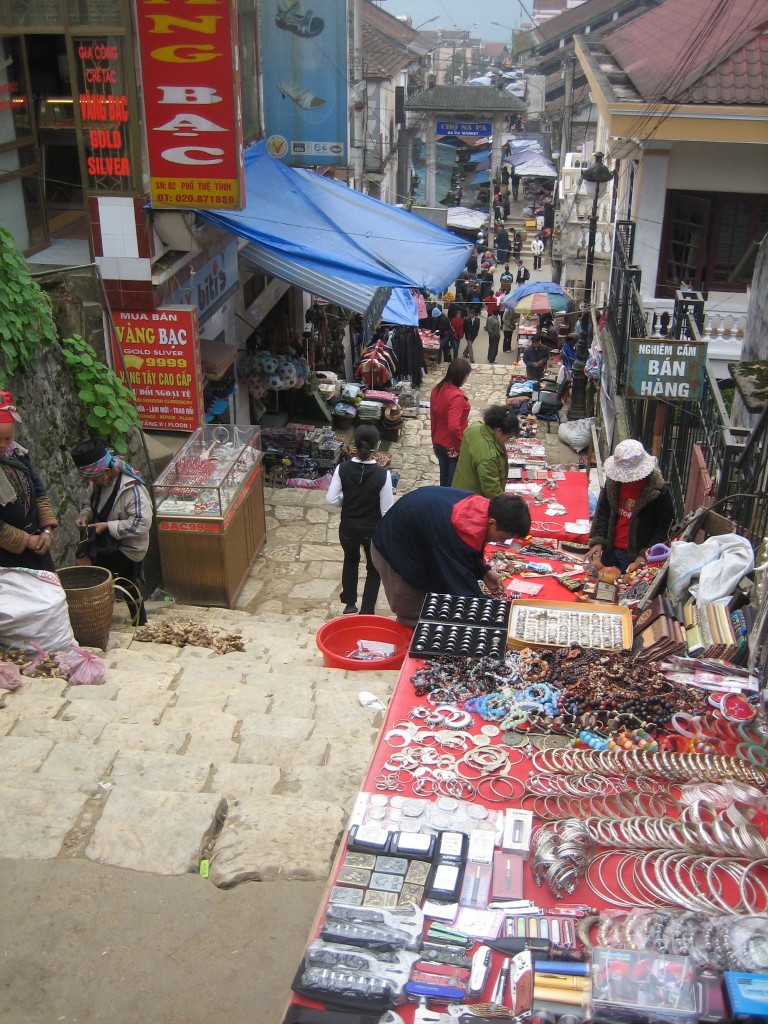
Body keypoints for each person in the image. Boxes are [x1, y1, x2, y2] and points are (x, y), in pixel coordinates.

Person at [371, 489, 531, 626]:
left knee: (435, 604)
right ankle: (410, 657)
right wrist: (499, 611)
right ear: (492, 522)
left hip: (421, 543)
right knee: (415, 615)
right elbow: (460, 585)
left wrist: (483, 571)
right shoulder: (456, 529)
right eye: (504, 537)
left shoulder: (481, 510)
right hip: (394, 549)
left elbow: (469, 549)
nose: (502, 542)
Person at [71, 439, 153, 626]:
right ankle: (136, 621)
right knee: (121, 580)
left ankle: (100, 622)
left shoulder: (132, 489)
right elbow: (89, 505)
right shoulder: (97, 483)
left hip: (128, 545)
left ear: (106, 472)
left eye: (94, 478)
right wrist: (85, 515)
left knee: (114, 579)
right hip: (105, 540)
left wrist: (108, 526)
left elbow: (142, 522)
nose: (92, 482)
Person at [326, 425, 393, 615]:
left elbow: (331, 499)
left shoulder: (342, 469)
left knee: (351, 560)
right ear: (377, 445)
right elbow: (386, 510)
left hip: (348, 528)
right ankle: (366, 610)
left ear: (354, 444)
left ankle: (349, 603)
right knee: (373, 570)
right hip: (372, 531)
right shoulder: (383, 475)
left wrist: (345, 499)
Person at [588, 440, 675, 574]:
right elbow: (604, 512)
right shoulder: (613, 483)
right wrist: (598, 540)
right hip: (610, 550)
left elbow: (665, 527)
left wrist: (647, 553)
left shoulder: (659, 492)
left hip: (635, 556)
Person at [0, 391, 57, 570]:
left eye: (7, 438)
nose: (3, 444)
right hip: (6, 558)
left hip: (37, 545)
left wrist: (46, 530)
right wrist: (26, 541)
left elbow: (39, 490)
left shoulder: (19, 455)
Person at [453, 406, 520, 498]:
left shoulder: (474, 428)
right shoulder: (489, 457)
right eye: (508, 438)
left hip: (460, 487)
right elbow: (492, 492)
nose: (506, 441)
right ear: (499, 431)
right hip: (472, 500)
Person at [430, 358, 472, 487]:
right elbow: (454, 427)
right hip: (452, 445)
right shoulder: (456, 397)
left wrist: (434, 441)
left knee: (444, 480)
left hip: (439, 441)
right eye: (466, 376)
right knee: (452, 484)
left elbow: (433, 418)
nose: (466, 379)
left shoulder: (437, 389)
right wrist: (460, 448)